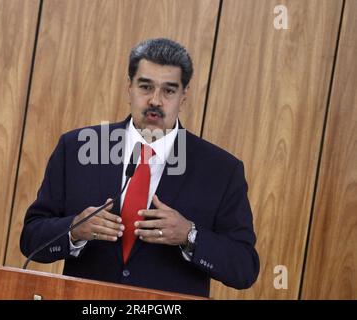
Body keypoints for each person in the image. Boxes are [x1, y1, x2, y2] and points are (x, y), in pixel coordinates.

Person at [20, 38, 259, 297]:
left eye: (168, 90)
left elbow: (244, 268)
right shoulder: (76, 148)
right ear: (129, 88)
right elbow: (31, 237)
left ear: (184, 96)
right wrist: (74, 230)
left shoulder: (221, 170)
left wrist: (190, 235)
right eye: (146, 86)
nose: (155, 100)